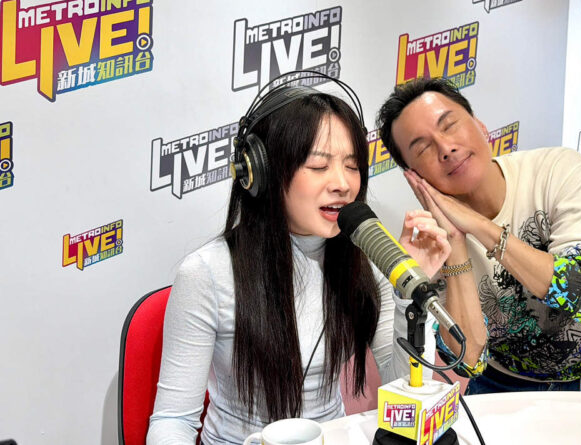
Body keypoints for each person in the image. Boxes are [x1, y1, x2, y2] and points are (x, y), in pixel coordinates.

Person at [148, 87, 448, 445]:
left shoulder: (366, 260)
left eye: (352, 166)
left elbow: (406, 390)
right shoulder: (207, 273)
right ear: (262, 173)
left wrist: (407, 296)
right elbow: (173, 421)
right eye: (319, 166)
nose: (343, 184)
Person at [376, 77, 581, 394]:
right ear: (413, 175)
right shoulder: (428, 242)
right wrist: (455, 240)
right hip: (498, 381)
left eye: (450, 125)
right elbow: (468, 361)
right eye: (423, 148)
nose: (446, 149)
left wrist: (479, 226)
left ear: (481, 127)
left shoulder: (557, 169)